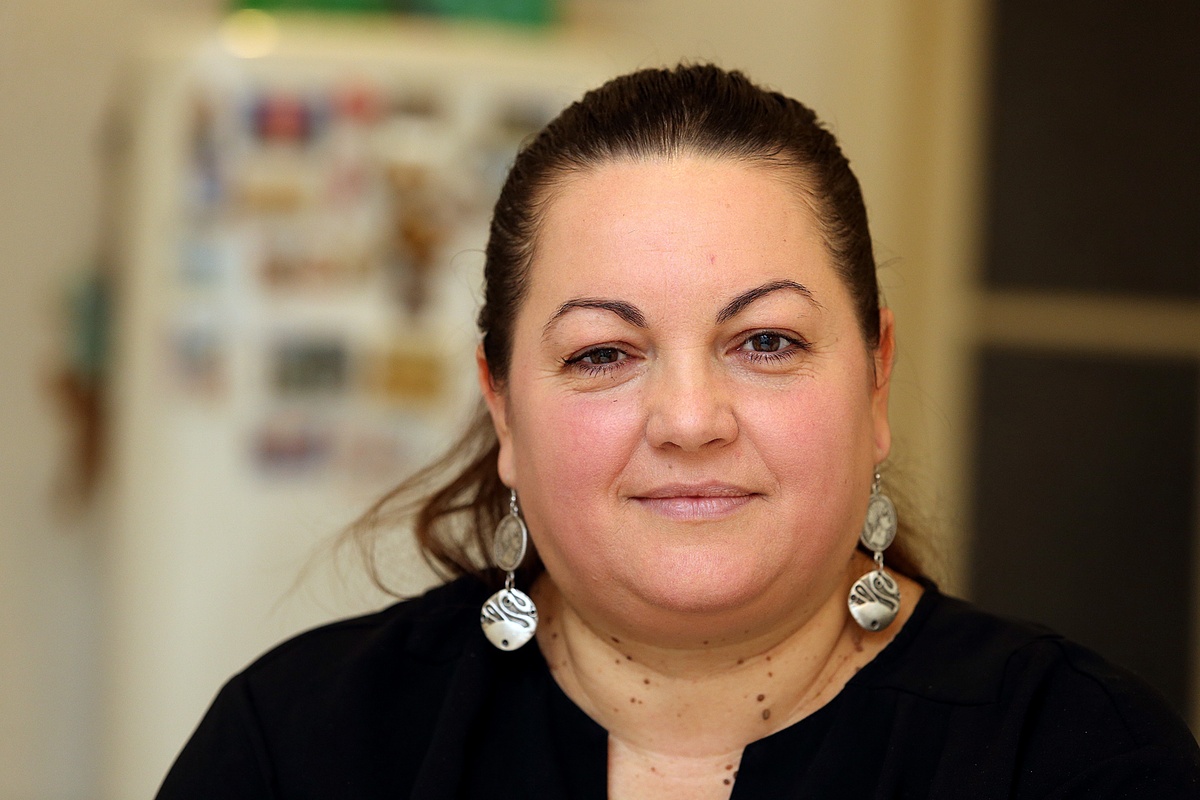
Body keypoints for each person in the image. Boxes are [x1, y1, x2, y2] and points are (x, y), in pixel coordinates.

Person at [156, 64, 1200, 799]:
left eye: (766, 342)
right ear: (503, 406)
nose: (691, 420)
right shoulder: (297, 745)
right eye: (603, 353)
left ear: (876, 379)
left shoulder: (1084, 758)